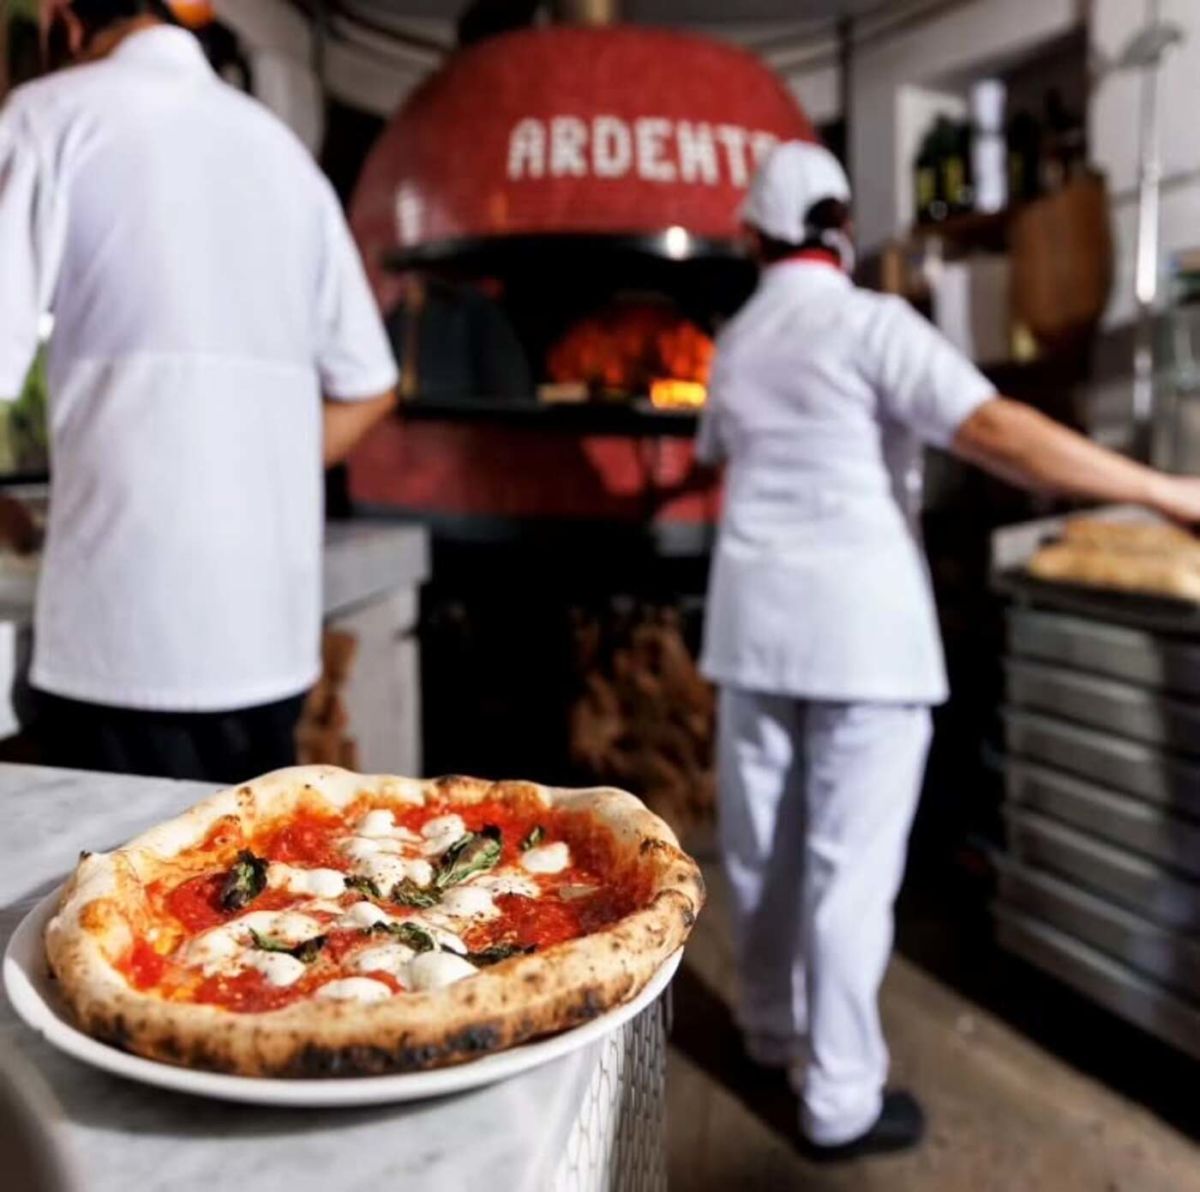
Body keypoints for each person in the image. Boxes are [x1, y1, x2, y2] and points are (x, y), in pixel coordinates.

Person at [696, 140, 1200, 1160]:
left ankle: (766, 1029)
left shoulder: (737, 339)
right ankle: (836, 1098)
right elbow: (998, 430)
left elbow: (715, 453)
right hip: (860, 634)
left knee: (762, 852)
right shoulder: (869, 322)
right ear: (840, 230)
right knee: (847, 870)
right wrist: (1163, 489)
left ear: (754, 236)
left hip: (753, 625)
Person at [0, 1, 398, 782]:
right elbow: (370, 388)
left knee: (119, 894)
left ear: (63, 21)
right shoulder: (283, 153)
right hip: (271, 644)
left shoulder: (50, 117)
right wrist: (249, 476)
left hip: (127, 642)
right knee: (250, 891)